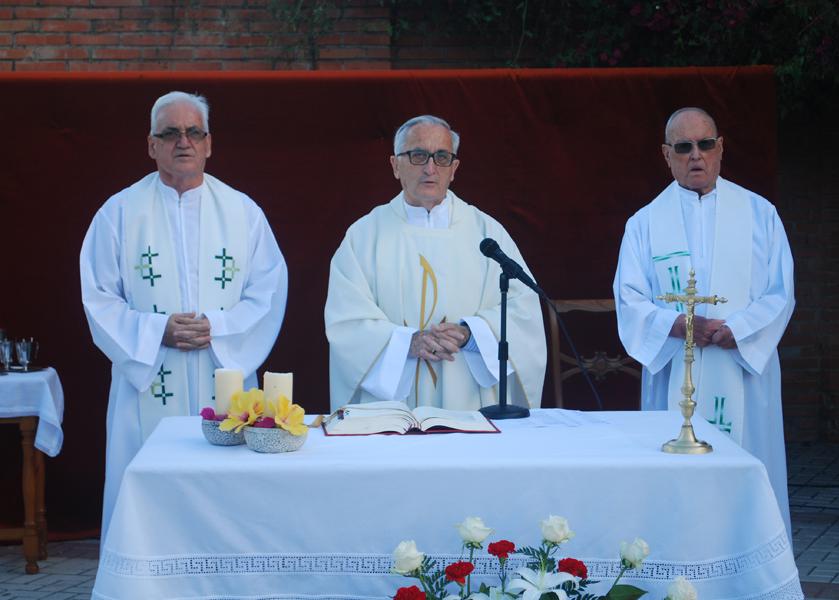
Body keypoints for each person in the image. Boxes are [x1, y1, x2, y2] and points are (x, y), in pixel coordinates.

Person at [80, 91, 288, 540]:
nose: (183, 142)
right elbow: (98, 297)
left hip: (223, 380)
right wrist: (157, 331)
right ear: (151, 145)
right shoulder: (118, 213)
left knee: (225, 500)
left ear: (209, 143)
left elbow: (268, 292)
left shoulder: (243, 212)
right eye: (170, 133)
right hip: (148, 382)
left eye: (194, 132)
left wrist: (218, 328)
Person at [613, 107, 795, 537]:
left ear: (720, 148)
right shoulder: (644, 224)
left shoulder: (759, 214)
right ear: (666, 154)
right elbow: (629, 298)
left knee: (748, 471)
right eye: (683, 147)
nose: (696, 155)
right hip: (678, 367)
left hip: (741, 367)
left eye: (705, 144)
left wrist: (740, 329)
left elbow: (780, 291)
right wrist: (679, 325)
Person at [325, 115, 545, 412]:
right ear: (395, 165)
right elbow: (346, 321)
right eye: (418, 156)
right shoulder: (364, 236)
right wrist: (407, 343)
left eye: (441, 157)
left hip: (468, 400)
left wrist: (471, 334)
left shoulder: (486, 232)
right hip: (391, 409)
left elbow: (523, 310)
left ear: (454, 169)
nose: (430, 168)